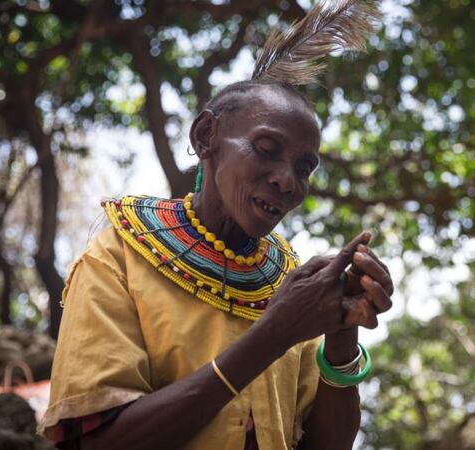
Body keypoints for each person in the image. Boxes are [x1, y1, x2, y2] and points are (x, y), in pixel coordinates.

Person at [38, 1, 392, 449]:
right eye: (266, 148)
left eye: (304, 167)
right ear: (205, 137)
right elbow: (98, 442)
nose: (287, 180)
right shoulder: (117, 258)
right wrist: (274, 334)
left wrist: (341, 336)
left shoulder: (289, 283)